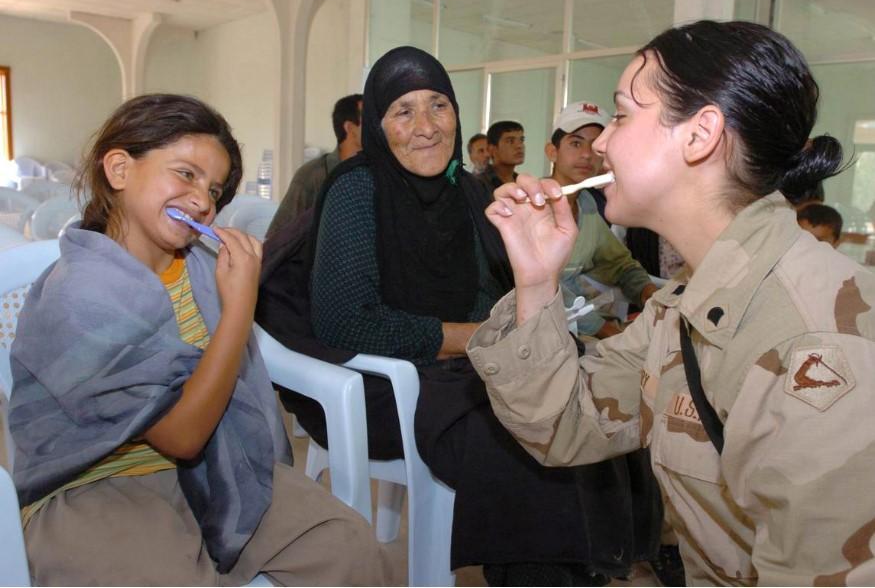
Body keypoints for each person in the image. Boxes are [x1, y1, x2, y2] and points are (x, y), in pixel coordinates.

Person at [469, 20, 874, 586]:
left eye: (621, 115)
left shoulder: (813, 346)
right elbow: (566, 424)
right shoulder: (685, 305)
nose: (602, 143)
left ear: (699, 134)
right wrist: (537, 281)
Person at [298, 45, 661, 586]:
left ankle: (588, 558)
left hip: (463, 370)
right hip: (380, 382)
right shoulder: (356, 191)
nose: (425, 127)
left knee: (576, 400)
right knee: (523, 436)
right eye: (403, 111)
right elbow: (344, 321)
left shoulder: (468, 191)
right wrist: (472, 340)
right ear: (377, 124)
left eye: (438, 105)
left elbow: (491, 296)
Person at [8, 93, 388, 586]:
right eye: (186, 174)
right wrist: (239, 311)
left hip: (220, 462)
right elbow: (182, 436)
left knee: (348, 545)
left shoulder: (204, 270)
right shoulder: (78, 294)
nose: (203, 201)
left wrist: (235, 301)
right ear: (120, 170)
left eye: (215, 189)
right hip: (95, 484)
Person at [547, 100, 657, 338]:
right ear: (552, 151)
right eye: (575, 143)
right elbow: (547, 286)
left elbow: (619, 264)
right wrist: (607, 331)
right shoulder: (536, 207)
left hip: (579, 328)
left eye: (596, 147)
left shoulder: (586, 203)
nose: (587, 155)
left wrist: (649, 294)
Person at [266, 93, 363, 238]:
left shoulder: (377, 174)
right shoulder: (312, 175)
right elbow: (278, 237)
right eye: (369, 120)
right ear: (350, 128)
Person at [476, 120, 525, 190]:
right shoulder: (478, 183)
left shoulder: (521, 182)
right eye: (510, 141)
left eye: (521, 140)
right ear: (492, 149)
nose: (519, 146)